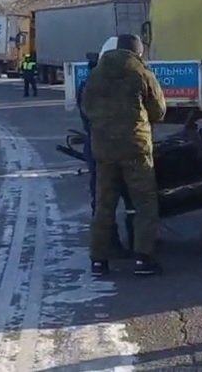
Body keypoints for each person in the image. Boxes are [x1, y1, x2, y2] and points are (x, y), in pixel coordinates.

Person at [81, 34, 166, 277]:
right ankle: (143, 258)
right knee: (144, 202)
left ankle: (99, 260)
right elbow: (158, 111)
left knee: (104, 204)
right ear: (137, 52)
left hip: (104, 148)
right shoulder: (141, 73)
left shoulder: (96, 74)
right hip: (135, 147)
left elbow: (86, 108)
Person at [76, 52, 135, 257]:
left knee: (102, 200)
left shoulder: (87, 87)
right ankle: (140, 244)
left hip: (97, 146)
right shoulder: (127, 82)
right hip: (127, 145)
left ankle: (105, 249)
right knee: (135, 198)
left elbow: (86, 116)